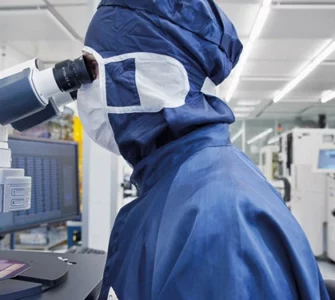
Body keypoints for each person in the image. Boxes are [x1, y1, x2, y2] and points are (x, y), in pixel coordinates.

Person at [77, 1, 330, 299]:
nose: (81, 89)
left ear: (146, 75)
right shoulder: (182, 181)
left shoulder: (219, 219)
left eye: (90, 70)